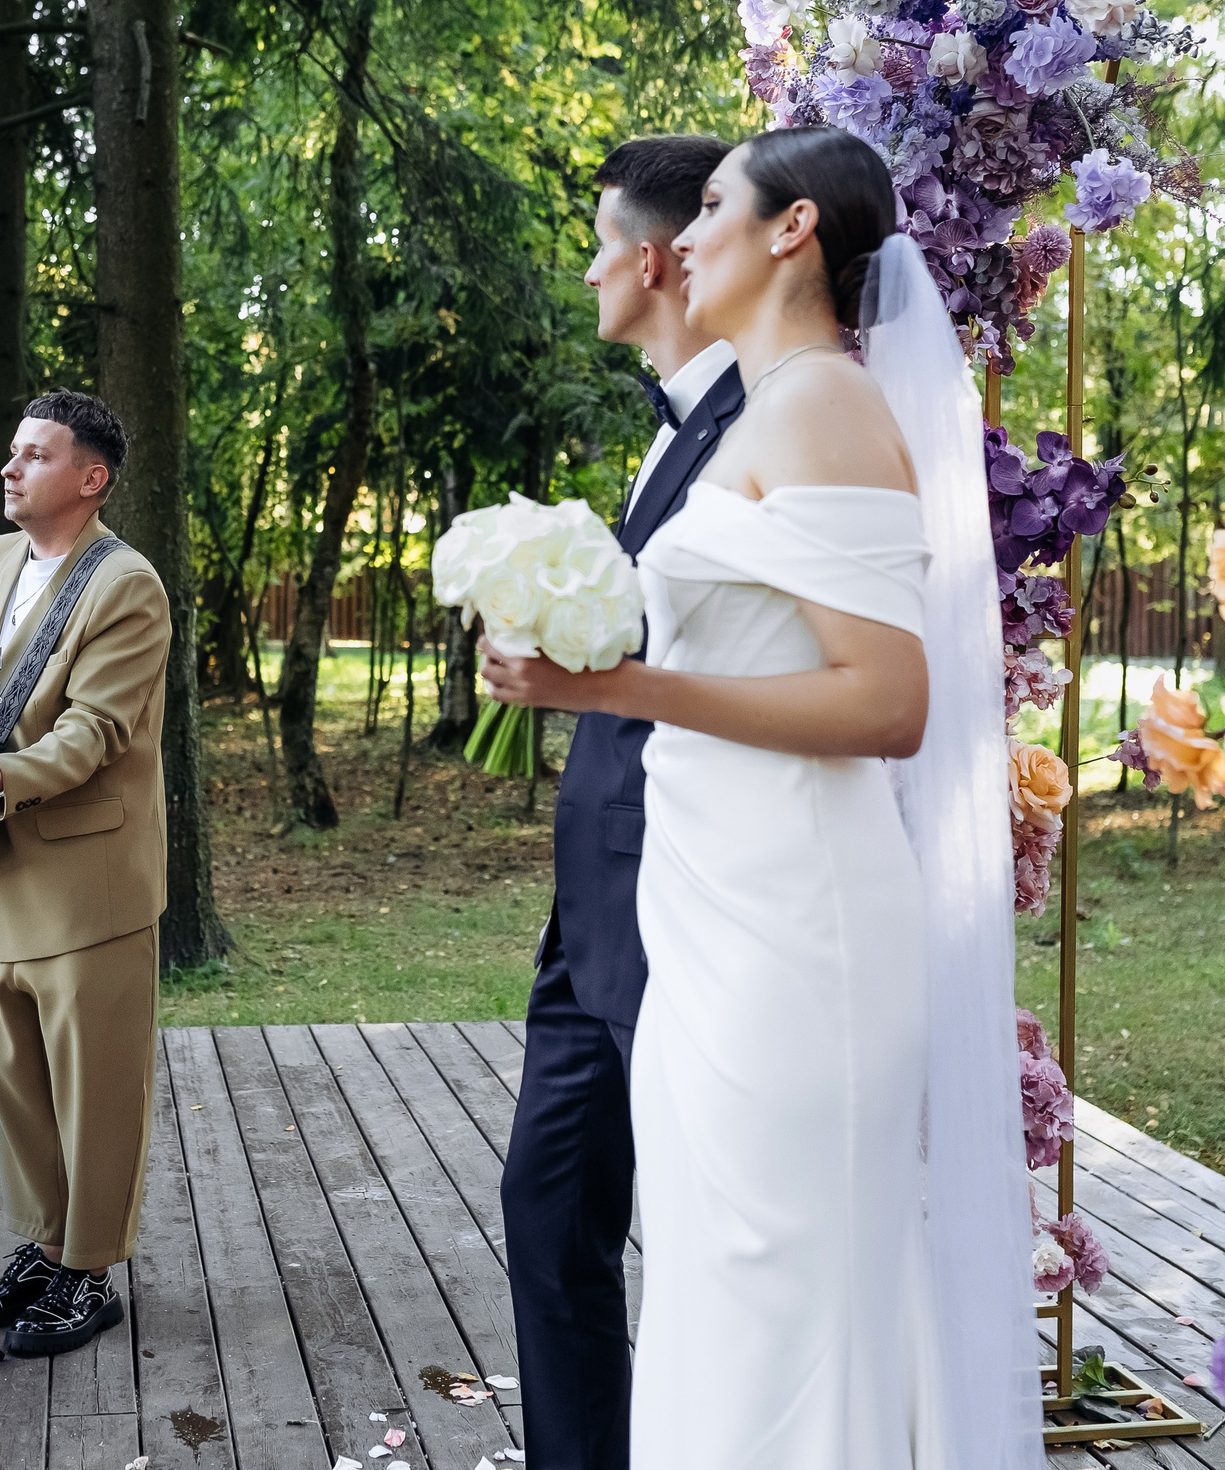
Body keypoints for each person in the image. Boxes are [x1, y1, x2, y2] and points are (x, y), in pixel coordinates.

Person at [482, 128, 1040, 1467]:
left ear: (791, 231)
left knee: (774, 1287)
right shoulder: (784, 402)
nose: (689, 238)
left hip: (801, 927)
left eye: (718, 204)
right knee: (719, 1291)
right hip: (718, 903)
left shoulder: (829, 403)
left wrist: (619, 693)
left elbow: (887, 703)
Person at [495, 133, 740, 1470]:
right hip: (589, 906)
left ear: (648, 258)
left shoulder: (757, 422)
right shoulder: (669, 431)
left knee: (685, 1226)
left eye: (598, 243)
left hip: (673, 901)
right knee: (547, 1211)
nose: (588, 269)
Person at [0, 390, 170, 1359]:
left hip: (88, 877)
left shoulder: (125, 586)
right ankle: (49, 1250)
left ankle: (89, 1276)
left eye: (34, 456)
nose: (8, 470)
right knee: (20, 1082)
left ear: (90, 479)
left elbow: (97, 732)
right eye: (12, 453)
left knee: (96, 1088)